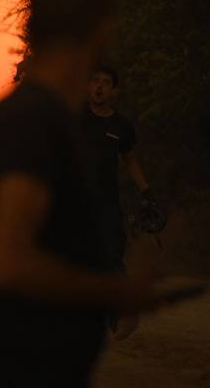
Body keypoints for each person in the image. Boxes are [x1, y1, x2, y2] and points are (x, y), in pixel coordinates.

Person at [0, 0, 161, 387]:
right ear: (102, 27)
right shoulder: (35, 123)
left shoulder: (20, 116)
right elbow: (8, 262)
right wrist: (115, 292)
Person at [80, 64, 158, 338]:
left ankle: (124, 313)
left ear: (114, 91)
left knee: (112, 257)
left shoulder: (121, 126)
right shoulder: (74, 115)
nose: (99, 87)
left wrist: (146, 192)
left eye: (106, 83)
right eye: (95, 81)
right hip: (75, 202)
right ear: (89, 86)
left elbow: (130, 161)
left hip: (106, 203)